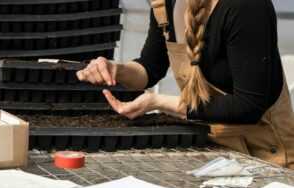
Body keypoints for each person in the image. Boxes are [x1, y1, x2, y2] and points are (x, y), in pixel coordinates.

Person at [76, 0, 294, 169]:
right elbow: (149, 69)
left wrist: (159, 102)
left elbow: (248, 106)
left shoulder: (245, 7)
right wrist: (117, 69)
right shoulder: (164, 5)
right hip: (215, 154)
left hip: (267, 160)